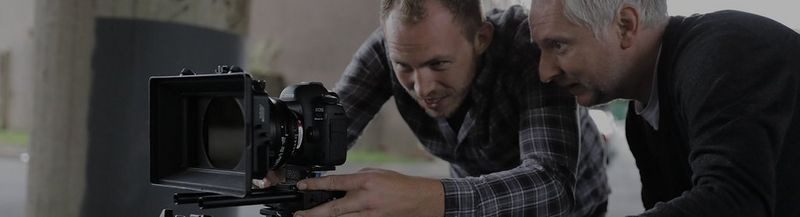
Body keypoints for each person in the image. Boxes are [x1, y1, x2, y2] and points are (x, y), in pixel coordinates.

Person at [270, 0, 610, 216]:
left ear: (481, 38)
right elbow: (327, 134)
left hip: (576, 204)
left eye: (439, 64)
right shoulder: (389, 48)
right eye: (404, 67)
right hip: (471, 201)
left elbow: (551, 183)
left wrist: (424, 198)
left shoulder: (527, 48)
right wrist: (280, 163)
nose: (423, 87)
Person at [528, 0, 800, 216]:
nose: (545, 72)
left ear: (625, 25)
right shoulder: (644, 114)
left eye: (558, 45)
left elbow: (735, 201)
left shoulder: (724, 53)